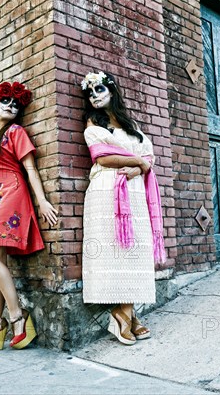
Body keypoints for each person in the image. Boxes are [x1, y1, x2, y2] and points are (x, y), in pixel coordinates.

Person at [80, 71, 166, 345]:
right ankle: (124, 315)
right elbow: (102, 157)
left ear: (112, 90)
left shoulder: (130, 126)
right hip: (107, 190)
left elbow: (150, 154)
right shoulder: (93, 123)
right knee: (117, 250)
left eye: (99, 89)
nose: (95, 96)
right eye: (90, 93)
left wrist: (142, 163)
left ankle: (124, 312)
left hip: (136, 192)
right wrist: (140, 164)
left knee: (134, 250)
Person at [0, 81, 58, 353]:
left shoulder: (16, 132)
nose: (11, 107)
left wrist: (41, 200)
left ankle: (17, 317)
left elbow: (30, 168)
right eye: (6, 101)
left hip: (11, 193)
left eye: (15, 104)